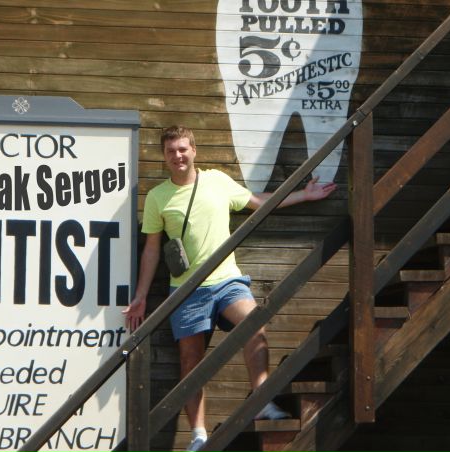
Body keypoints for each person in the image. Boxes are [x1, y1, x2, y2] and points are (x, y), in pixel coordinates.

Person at [123, 125, 336, 452]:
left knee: (254, 325)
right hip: (185, 291)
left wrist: (303, 195)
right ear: (164, 156)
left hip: (226, 281)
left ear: (194, 150)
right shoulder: (157, 197)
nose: (178, 156)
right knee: (190, 361)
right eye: (171, 151)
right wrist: (140, 296)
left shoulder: (217, 181)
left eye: (182, 149)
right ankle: (198, 436)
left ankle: (262, 401)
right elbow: (151, 249)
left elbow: (258, 202)